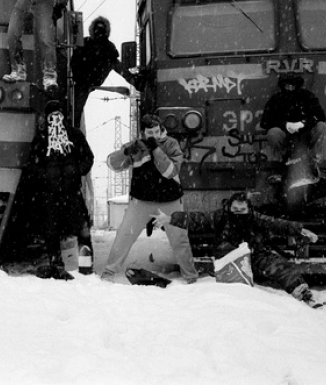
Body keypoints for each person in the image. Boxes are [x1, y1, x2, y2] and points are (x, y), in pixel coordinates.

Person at [101, 114, 199, 284]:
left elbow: (170, 172)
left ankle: (190, 276)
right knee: (124, 234)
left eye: (156, 131)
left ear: (161, 129)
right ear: (143, 132)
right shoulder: (135, 146)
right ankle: (110, 272)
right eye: (149, 132)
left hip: (170, 200)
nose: (153, 134)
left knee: (179, 239)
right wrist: (124, 152)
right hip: (141, 201)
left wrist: (156, 149)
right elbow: (111, 164)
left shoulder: (171, 144)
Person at [27, 100, 94, 279]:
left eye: (58, 114)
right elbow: (32, 166)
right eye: (52, 115)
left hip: (72, 191)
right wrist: (45, 177)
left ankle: (86, 267)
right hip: (49, 193)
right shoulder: (41, 139)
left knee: (82, 229)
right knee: (51, 230)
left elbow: (88, 157)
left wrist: (78, 171)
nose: (56, 118)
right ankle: (56, 264)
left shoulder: (74, 135)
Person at [260, 72, 326, 178]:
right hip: (285, 136)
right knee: (273, 133)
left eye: (292, 84)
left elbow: (320, 116)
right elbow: (265, 121)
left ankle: (314, 161)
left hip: (306, 135)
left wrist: (303, 124)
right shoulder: (276, 99)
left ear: (297, 85)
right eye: (286, 84)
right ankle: (281, 162)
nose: (289, 87)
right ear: (282, 85)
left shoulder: (308, 96)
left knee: (322, 127)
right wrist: (286, 125)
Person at [70, 16, 120, 125]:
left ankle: (73, 127)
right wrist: (79, 77)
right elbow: (75, 60)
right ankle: (73, 127)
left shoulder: (107, 47)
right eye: (97, 29)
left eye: (101, 29)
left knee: (77, 109)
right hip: (82, 82)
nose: (99, 32)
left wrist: (92, 80)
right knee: (76, 109)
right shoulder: (86, 42)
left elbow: (113, 63)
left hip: (87, 82)